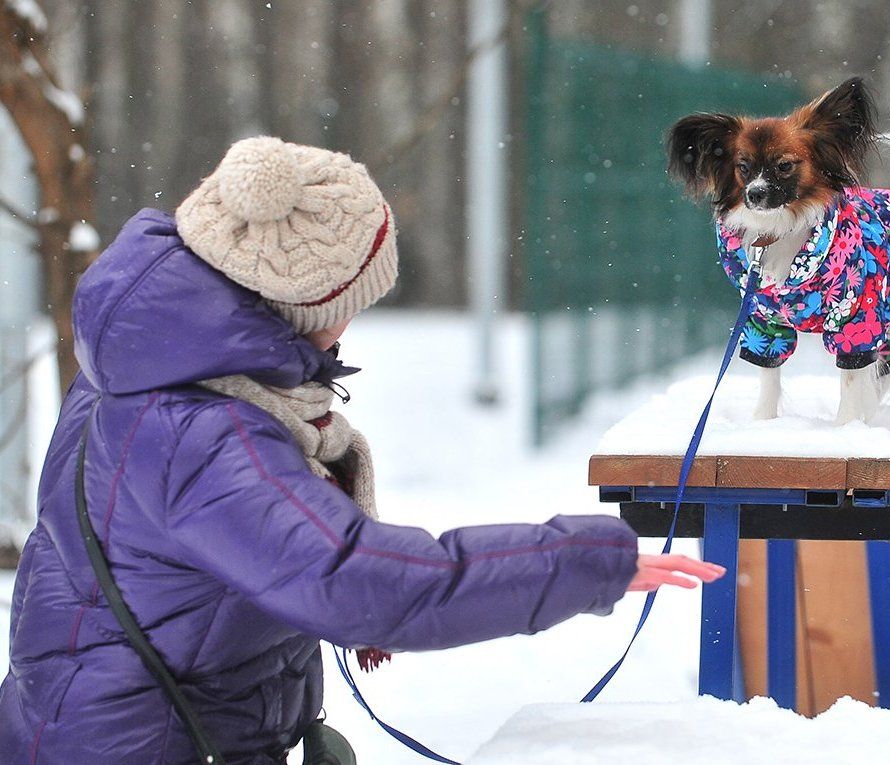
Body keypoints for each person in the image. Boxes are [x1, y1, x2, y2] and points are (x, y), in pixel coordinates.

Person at [0, 137, 724, 764]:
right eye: (352, 303)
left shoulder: (141, 362)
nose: (350, 326)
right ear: (306, 305)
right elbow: (353, 579)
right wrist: (579, 562)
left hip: (94, 722)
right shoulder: (205, 431)